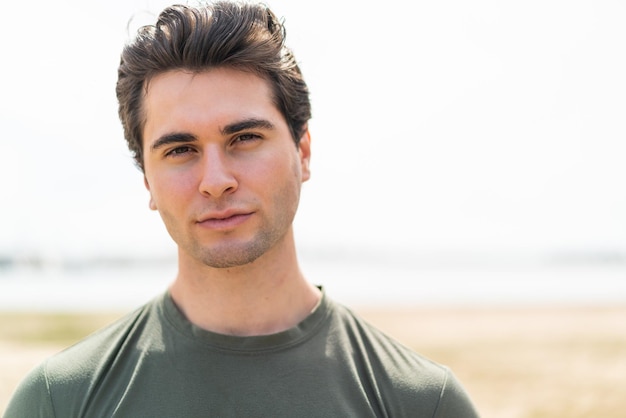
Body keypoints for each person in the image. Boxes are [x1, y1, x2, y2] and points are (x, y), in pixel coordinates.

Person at [4, 2, 480, 417]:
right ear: (147, 181)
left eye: (245, 138)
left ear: (304, 151)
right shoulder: (60, 401)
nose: (215, 181)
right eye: (180, 150)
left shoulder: (419, 402)